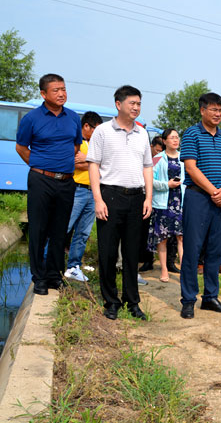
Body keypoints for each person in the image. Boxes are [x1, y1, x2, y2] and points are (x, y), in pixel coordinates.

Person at [87, 85, 153, 321]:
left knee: (132, 252)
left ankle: (132, 301)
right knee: (107, 252)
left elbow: (147, 167)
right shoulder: (103, 131)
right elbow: (93, 165)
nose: (136, 107)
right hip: (110, 196)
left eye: (139, 104)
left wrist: (148, 197)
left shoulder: (142, 133)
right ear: (118, 104)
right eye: (132, 103)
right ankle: (111, 301)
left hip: (136, 198)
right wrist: (98, 199)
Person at [15, 73, 82, 296]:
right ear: (43, 94)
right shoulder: (31, 118)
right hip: (40, 180)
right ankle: (39, 278)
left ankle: (55, 276)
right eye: (56, 90)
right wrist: (41, 166)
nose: (62, 93)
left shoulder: (73, 117)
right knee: (38, 230)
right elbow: (21, 148)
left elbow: (75, 146)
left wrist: (60, 165)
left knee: (60, 231)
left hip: (66, 182)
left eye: (64, 89)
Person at [179, 92, 221, 319]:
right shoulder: (191, 134)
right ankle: (188, 299)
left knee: (216, 250)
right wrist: (214, 191)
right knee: (192, 250)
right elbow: (191, 168)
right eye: (213, 109)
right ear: (202, 110)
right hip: (198, 198)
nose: (218, 114)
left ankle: (210, 297)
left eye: (220, 110)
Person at [64, 111, 103, 282]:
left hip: (92, 191)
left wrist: (87, 160)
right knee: (64, 227)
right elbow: (74, 163)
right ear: (86, 126)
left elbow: (103, 164)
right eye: (95, 130)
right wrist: (94, 163)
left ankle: (74, 266)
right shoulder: (75, 141)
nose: (97, 134)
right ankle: (49, 262)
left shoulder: (93, 144)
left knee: (83, 233)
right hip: (77, 190)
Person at [148, 129, 185, 283]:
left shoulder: (184, 157)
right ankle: (163, 269)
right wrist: (166, 185)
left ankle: (185, 270)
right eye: (172, 138)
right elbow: (150, 180)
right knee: (162, 238)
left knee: (181, 237)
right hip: (163, 203)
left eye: (177, 137)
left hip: (180, 202)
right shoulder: (157, 158)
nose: (175, 140)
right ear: (164, 141)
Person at [139, 137, 165, 272]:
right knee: (143, 230)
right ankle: (144, 258)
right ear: (151, 146)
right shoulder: (144, 156)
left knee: (153, 231)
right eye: (157, 150)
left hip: (156, 199)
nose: (158, 153)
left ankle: (149, 259)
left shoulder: (161, 159)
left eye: (160, 151)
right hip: (141, 195)